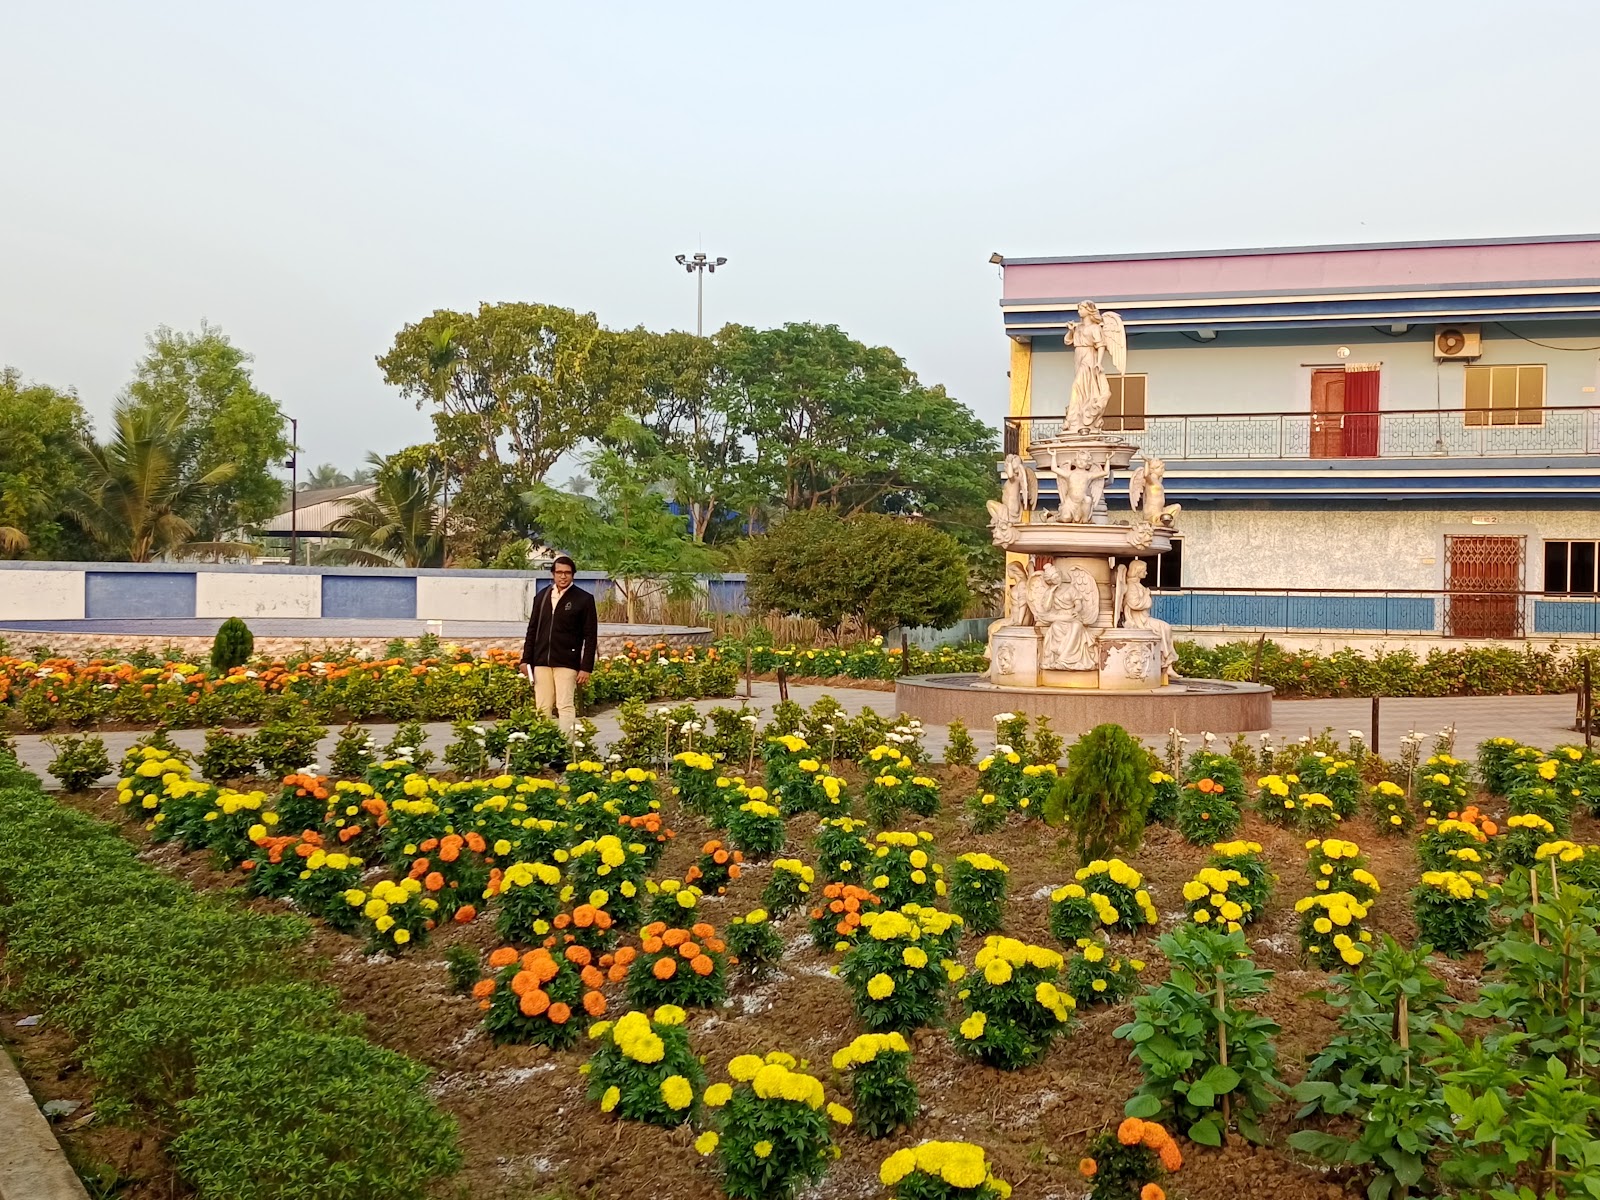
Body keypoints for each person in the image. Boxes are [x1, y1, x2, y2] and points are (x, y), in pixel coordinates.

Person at [519, 555, 597, 735]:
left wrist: (586, 667)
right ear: (553, 574)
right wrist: (526, 660)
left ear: (573, 575)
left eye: (567, 573)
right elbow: (532, 630)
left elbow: (590, 636)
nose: (563, 576)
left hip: (567, 661)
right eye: (559, 572)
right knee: (542, 707)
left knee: (565, 706)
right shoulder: (542, 597)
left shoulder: (583, 599)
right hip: (541, 661)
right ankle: (544, 745)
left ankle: (564, 749)